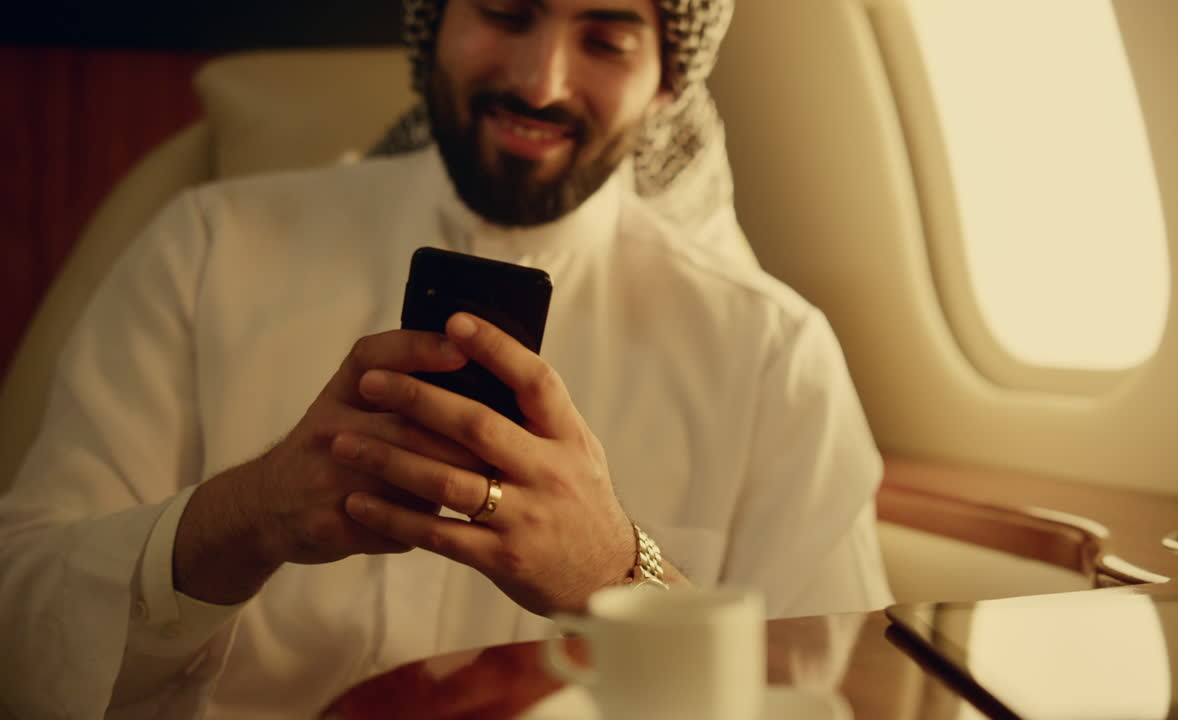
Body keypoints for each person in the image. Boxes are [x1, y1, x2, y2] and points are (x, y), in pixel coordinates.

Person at [0, 0, 892, 717]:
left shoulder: (774, 353)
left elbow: (817, 694)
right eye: (508, 15)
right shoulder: (206, 249)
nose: (541, 82)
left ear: (668, 84)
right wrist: (252, 513)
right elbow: (21, 614)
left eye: (608, 39)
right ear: (435, 27)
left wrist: (619, 574)